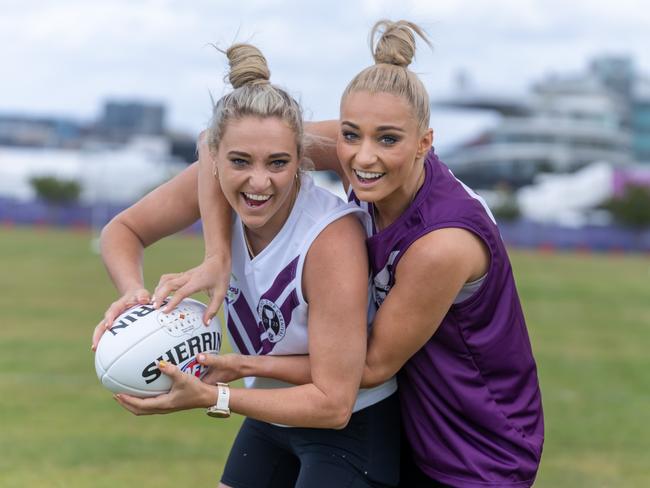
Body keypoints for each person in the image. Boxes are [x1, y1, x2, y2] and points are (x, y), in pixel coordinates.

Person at [186, 20, 544, 488]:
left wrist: (243, 366)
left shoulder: (442, 244)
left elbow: (369, 367)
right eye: (351, 135)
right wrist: (216, 255)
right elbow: (214, 143)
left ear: (425, 143)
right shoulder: (368, 159)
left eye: (388, 139)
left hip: (474, 448)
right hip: (403, 420)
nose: (363, 157)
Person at [94, 43, 400, 488]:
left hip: (351, 427)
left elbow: (333, 402)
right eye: (240, 161)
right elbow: (122, 231)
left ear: (301, 160)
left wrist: (215, 394)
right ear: (213, 159)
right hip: (271, 418)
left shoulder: (330, 241)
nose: (259, 182)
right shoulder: (213, 185)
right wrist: (133, 294)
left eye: (278, 163)